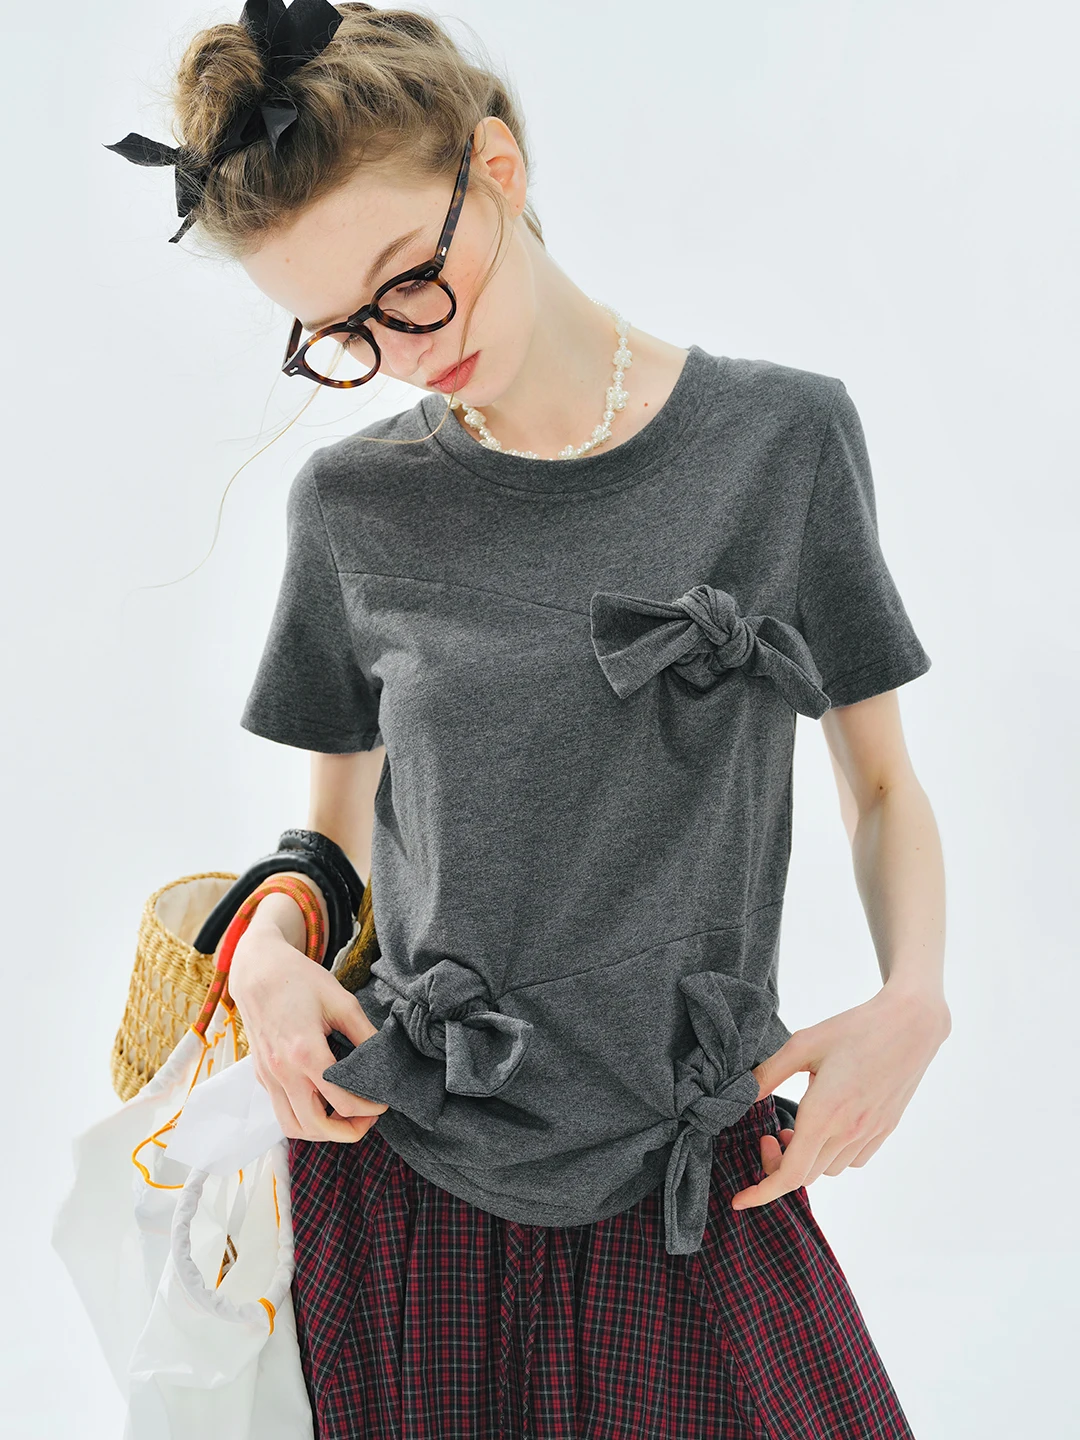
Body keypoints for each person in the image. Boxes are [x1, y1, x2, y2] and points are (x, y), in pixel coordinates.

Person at [107, 3, 950, 1436]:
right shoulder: (352, 508)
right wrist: (265, 958)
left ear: (493, 167)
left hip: (693, 1172)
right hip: (407, 1192)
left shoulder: (783, 444)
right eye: (340, 332)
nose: (397, 348)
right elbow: (333, 844)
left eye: (409, 282)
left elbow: (880, 788)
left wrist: (914, 998)